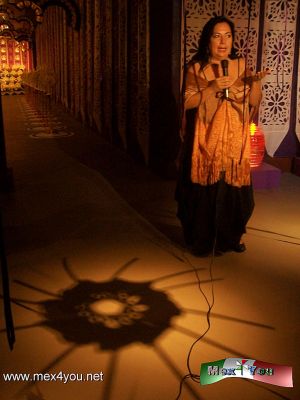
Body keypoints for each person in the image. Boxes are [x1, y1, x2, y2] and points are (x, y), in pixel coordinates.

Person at [175, 16, 269, 256]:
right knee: (204, 195)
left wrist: (255, 83)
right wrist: (212, 88)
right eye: (217, 36)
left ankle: (230, 238)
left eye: (228, 36)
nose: (223, 41)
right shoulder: (197, 68)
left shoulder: (241, 66)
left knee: (237, 197)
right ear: (208, 40)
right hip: (206, 143)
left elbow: (254, 101)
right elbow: (188, 102)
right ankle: (202, 241)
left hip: (234, 143)